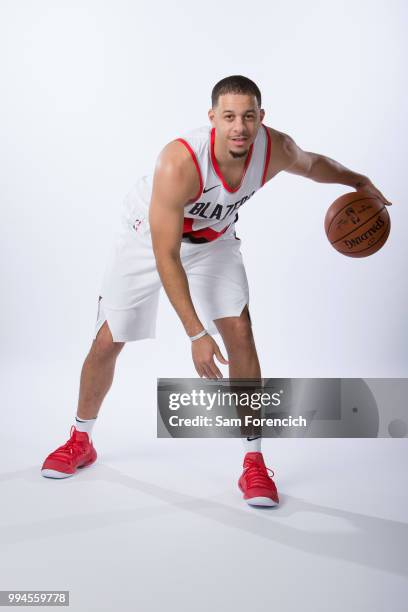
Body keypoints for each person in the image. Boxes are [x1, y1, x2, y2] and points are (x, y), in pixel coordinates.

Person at [41, 75, 392, 507]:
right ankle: (81, 439)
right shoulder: (180, 161)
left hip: (214, 242)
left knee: (240, 332)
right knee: (108, 341)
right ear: (213, 119)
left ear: (261, 118)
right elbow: (166, 255)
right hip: (149, 240)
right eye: (229, 117)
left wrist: (359, 181)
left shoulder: (275, 148)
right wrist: (194, 334)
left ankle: (254, 460)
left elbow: (313, 163)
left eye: (248, 116)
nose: (239, 127)